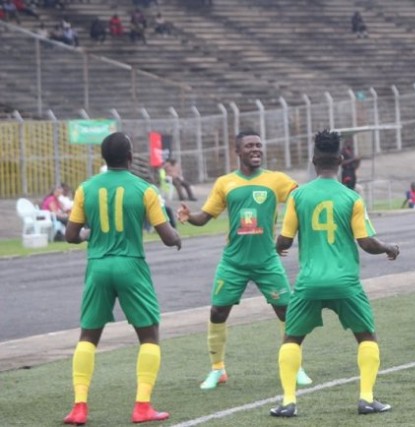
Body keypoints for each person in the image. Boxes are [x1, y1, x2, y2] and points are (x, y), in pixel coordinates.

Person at [270, 129, 399, 417]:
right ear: (340, 160)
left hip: (309, 283)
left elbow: (285, 240)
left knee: (292, 339)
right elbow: (366, 243)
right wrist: (389, 247)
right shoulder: (351, 197)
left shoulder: (298, 196)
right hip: (345, 282)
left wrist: (277, 247)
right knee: (366, 336)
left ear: (313, 160)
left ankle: (288, 402)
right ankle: (366, 399)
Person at [176, 130, 312, 391]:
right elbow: (205, 217)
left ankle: (295, 367)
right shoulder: (225, 182)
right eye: (249, 146)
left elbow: (302, 200)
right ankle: (217, 369)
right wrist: (189, 216)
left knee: (287, 312)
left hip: (267, 261)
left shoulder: (276, 180)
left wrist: (288, 233)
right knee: (217, 312)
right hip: (233, 262)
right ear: (237, 151)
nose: (255, 149)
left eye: (259, 145)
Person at [62, 132, 182, 425]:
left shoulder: (86, 188)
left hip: (98, 266)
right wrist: (177, 236)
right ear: (130, 158)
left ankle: (79, 407)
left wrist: (89, 234)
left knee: (88, 336)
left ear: (104, 158)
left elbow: (71, 235)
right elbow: (167, 237)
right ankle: (142, 407)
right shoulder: (145, 189)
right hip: (131, 265)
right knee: (149, 336)